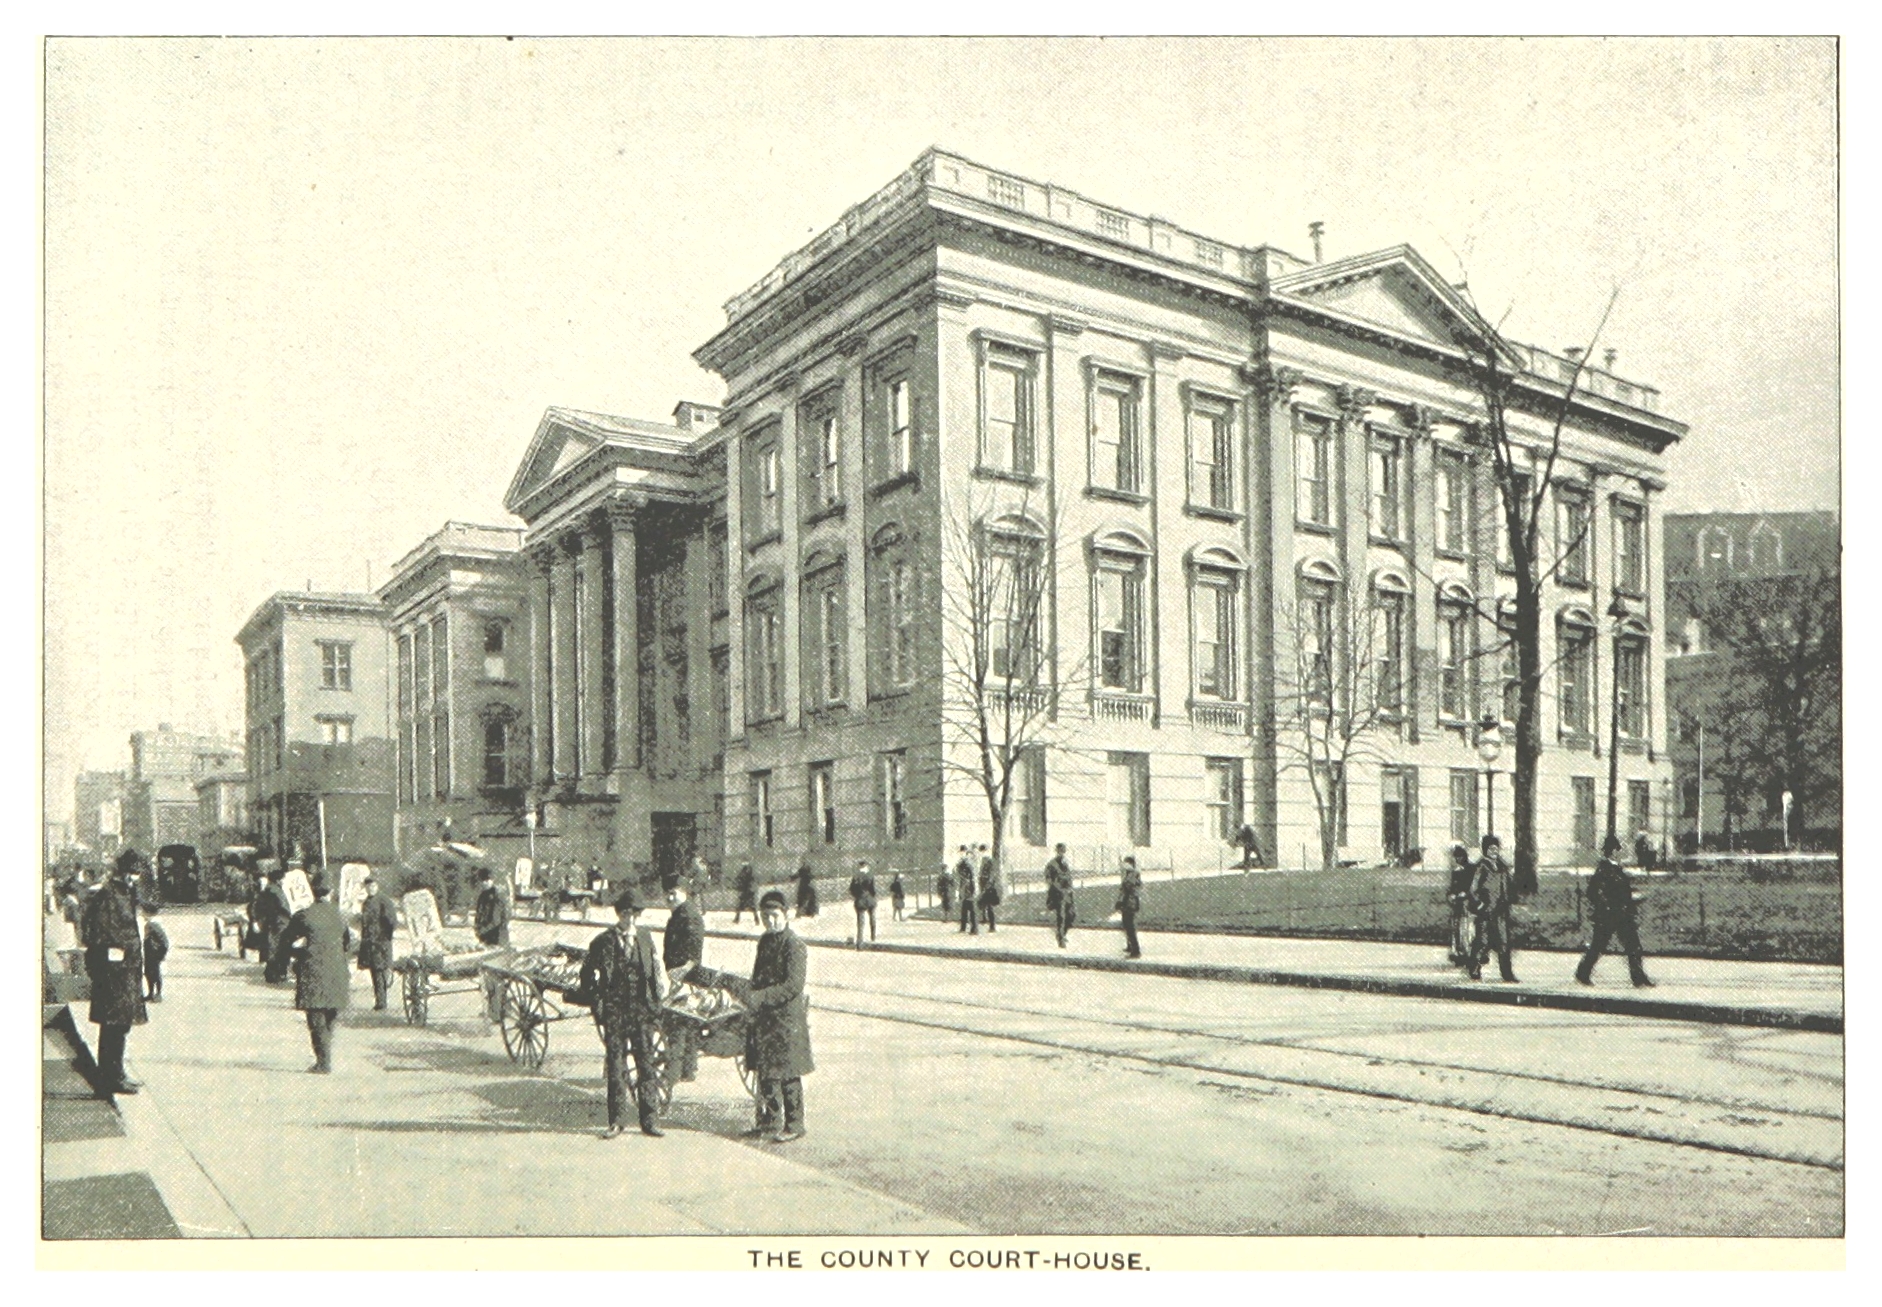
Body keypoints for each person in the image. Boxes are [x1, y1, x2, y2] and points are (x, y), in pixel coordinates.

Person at [577, 887, 670, 1137]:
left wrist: (656, 1003)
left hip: (641, 1013)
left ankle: (649, 1120)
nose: (630, 920)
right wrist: (598, 1000)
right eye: (626, 914)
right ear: (619, 914)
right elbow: (586, 975)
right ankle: (616, 1121)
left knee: (646, 1066)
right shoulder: (603, 942)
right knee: (617, 1067)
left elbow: (656, 972)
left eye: (635, 915)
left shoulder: (645, 938)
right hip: (615, 1013)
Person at [746, 891, 813, 1143]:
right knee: (767, 1072)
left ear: (785, 915)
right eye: (765, 917)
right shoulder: (765, 941)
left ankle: (795, 1124)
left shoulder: (794, 945)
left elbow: (793, 985)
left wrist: (761, 997)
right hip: (765, 1019)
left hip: (786, 1020)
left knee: (788, 1073)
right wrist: (751, 994)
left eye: (774, 916)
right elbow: (756, 975)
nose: (770, 921)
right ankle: (771, 1121)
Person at [83, 850, 148, 1097]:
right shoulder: (110, 894)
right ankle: (109, 1078)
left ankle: (117, 1073)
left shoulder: (125, 892)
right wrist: (121, 950)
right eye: (134, 873)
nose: (136, 878)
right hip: (114, 971)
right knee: (113, 1024)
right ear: (125, 871)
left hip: (125, 970)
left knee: (121, 1024)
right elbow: (102, 933)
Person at [277, 871, 356, 1073]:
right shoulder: (341, 915)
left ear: (312, 892)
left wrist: (298, 953)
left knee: (315, 1016)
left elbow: (284, 941)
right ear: (330, 893)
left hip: (312, 970)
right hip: (337, 971)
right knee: (330, 1013)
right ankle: (325, 1056)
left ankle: (323, 1061)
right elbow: (349, 943)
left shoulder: (303, 915)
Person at [1578, 834, 1655, 988]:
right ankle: (1583, 973)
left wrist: (1632, 897)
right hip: (1610, 916)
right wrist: (1608, 906)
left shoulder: (1614, 868)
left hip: (1620, 914)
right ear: (1613, 851)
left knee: (1632, 946)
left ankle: (1638, 977)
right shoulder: (1604, 870)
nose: (1621, 853)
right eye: (1619, 850)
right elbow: (1593, 892)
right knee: (1599, 945)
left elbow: (1619, 891)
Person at [662, 875, 706, 1082]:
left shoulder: (689, 916)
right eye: (667, 894)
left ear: (684, 893)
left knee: (678, 1023)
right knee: (686, 1024)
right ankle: (688, 1068)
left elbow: (694, 954)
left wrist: (682, 974)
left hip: (687, 977)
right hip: (679, 975)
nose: (670, 898)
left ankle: (675, 1071)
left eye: (674, 894)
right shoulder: (678, 914)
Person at [1468, 833, 1518, 983]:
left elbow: (1509, 885)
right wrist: (1479, 904)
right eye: (1490, 848)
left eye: (1496, 848)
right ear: (1485, 850)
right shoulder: (1481, 866)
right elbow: (1473, 888)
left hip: (1501, 911)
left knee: (1504, 943)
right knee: (1482, 941)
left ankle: (1507, 973)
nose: (1494, 851)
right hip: (1486, 910)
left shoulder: (1502, 867)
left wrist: (1510, 899)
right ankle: (1474, 967)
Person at [356, 872, 400, 1011]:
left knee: (381, 971)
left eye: (373, 885)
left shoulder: (384, 901)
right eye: (368, 886)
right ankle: (380, 1000)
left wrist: (386, 936)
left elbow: (392, 921)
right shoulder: (366, 903)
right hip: (370, 942)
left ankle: (382, 1001)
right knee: (375, 972)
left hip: (381, 941)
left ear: (377, 886)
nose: (371, 888)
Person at [257, 868, 293, 982]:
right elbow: (284, 907)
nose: (284, 881)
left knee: (272, 948)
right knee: (282, 948)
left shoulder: (266, 891)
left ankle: (271, 973)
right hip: (280, 922)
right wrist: (292, 917)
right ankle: (280, 974)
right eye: (283, 879)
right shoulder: (277, 892)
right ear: (278, 879)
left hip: (270, 923)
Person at [1444, 842, 1476, 968]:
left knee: (1467, 930)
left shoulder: (1471, 869)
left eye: (1460, 856)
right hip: (1457, 904)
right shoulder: (1456, 871)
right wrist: (1451, 895)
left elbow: (1473, 886)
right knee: (1456, 929)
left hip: (1468, 904)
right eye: (1456, 857)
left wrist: (1465, 894)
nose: (1458, 859)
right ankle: (1458, 954)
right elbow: (1452, 888)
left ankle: (1468, 954)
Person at [1044, 844, 1076, 948]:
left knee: (1071, 915)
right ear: (1056, 851)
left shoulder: (1065, 864)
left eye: (1063, 852)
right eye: (1060, 851)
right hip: (1058, 894)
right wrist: (1058, 888)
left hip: (1068, 894)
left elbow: (1069, 877)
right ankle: (1061, 939)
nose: (1062, 854)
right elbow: (1049, 879)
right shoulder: (1051, 864)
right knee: (1061, 916)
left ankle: (1062, 933)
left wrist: (1070, 888)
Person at [140, 901, 169, 1002]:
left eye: (143, 912)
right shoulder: (150, 924)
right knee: (148, 973)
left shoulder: (153, 924)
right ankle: (151, 993)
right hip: (149, 953)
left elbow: (164, 941)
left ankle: (158, 993)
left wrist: (161, 953)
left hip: (154, 953)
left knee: (155, 974)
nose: (141, 914)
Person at [1115, 855, 1143, 959]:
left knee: (1129, 926)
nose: (1124, 865)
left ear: (1130, 864)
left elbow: (1127, 889)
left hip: (1129, 903)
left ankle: (1135, 951)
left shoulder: (1132, 874)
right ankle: (1130, 946)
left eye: (1126, 863)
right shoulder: (1131, 874)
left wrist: (1120, 902)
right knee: (1127, 926)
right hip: (1129, 903)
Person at [474, 868, 510, 947]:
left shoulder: (497, 896)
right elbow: (479, 913)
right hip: (486, 937)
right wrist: (477, 927)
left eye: (487, 880)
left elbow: (495, 920)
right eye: (482, 880)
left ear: (492, 880)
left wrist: (482, 930)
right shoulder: (483, 895)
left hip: (497, 938)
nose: (484, 883)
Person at [848, 860, 878, 949]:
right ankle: (873, 936)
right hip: (869, 898)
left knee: (860, 922)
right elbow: (873, 889)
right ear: (866, 866)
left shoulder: (856, 876)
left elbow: (851, 889)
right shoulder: (870, 875)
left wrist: (857, 896)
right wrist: (873, 896)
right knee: (872, 917)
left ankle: (859, 942)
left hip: (860, 899)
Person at [954, 847, 978, 935]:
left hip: (968, 888)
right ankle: (963, 927)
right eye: (960, 852)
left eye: (962, 852)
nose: (960, 854)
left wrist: (973, 890)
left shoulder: (967, 863)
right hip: (964, 888)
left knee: (971, 909)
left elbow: (972, 878)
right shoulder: (962, 863)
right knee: (964, 909)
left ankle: (974, 929)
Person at [977, 844, 1000, 932]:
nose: (982, 853)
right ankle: (984, 918)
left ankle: (992, 926)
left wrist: (988, 885)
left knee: (990, 906)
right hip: (983, 884)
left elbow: (991, 875)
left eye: (983, 851)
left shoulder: (990, 861)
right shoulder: (983, 861)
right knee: (983, 904)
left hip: (989, 887)